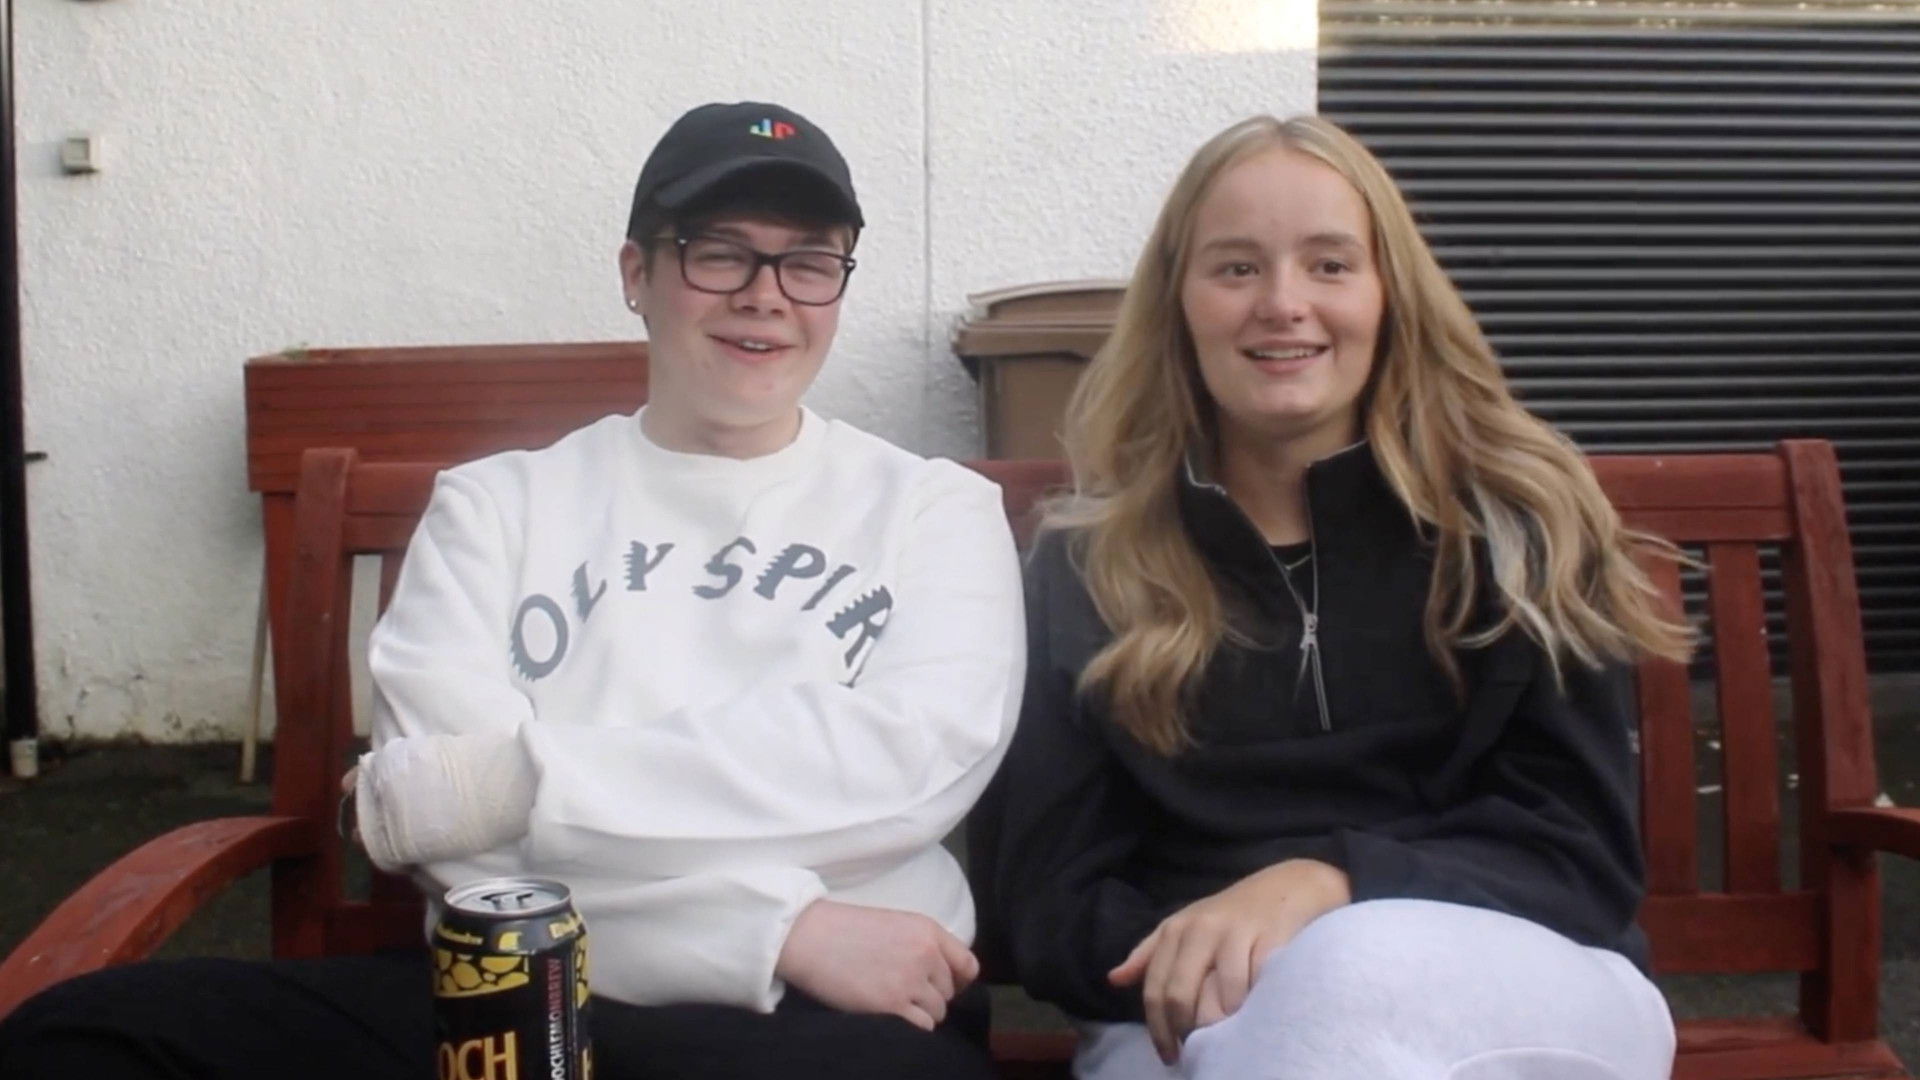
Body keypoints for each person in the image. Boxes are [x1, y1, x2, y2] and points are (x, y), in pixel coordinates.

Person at [0, 100, 1024, 1080]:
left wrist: (506, 782)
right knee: (82, 1040)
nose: (767, 294)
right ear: (637, 273)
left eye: (809, 261)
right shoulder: (495, 506)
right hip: (515, 986)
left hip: (829, 1021)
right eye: (718, 252)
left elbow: (901, 770)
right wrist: (774, 931)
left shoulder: (933, 512)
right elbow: (465, 861)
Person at [969, 114, 1691, 1080]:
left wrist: (1328, 886)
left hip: (1525, 973)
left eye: (1330, 265)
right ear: (1177, 304)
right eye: (1236, 268)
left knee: (1348, 970)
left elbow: (1579, 857)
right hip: (1192, 1009)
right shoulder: (1089, 566)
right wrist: (1222, 956)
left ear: (1390, 294)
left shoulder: (1520, 530)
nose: (1282, 304)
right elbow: (1048, 898)